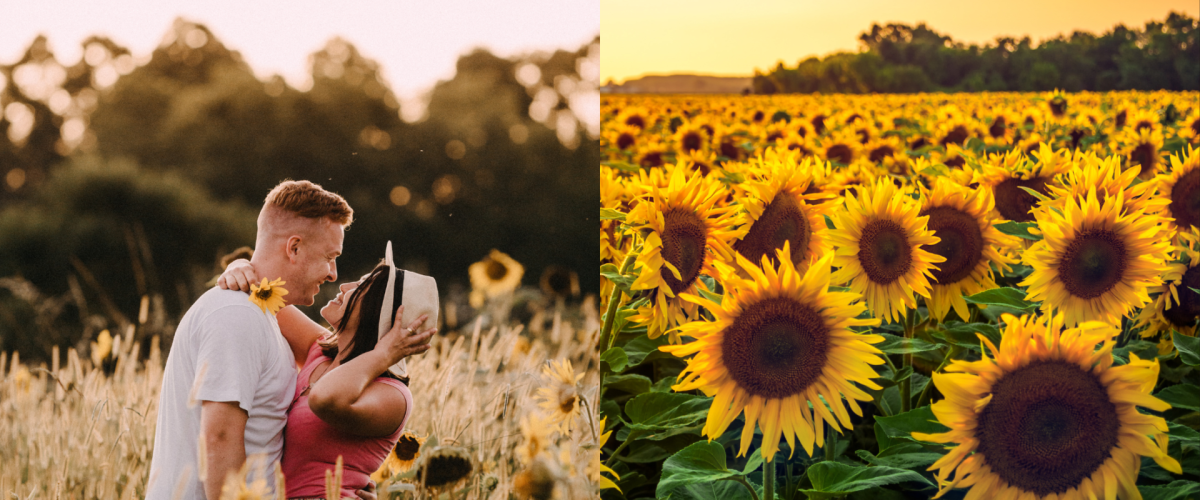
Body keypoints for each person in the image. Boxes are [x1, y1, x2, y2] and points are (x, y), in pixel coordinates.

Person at [147, 180, 433, 500]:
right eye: (330, 256)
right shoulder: (237, 314)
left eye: (361, 285)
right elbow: (221, 437)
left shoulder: (267, 318)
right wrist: (241, 265)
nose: (336, 276)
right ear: (294, 248)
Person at [217, 241, 438, 498]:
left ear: (378, 313)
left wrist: (384, 354)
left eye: (360, 286)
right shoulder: (319, 350)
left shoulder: (394, 396)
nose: (344, 285)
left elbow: (324, 399)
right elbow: (260, 292)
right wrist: (238, 266)